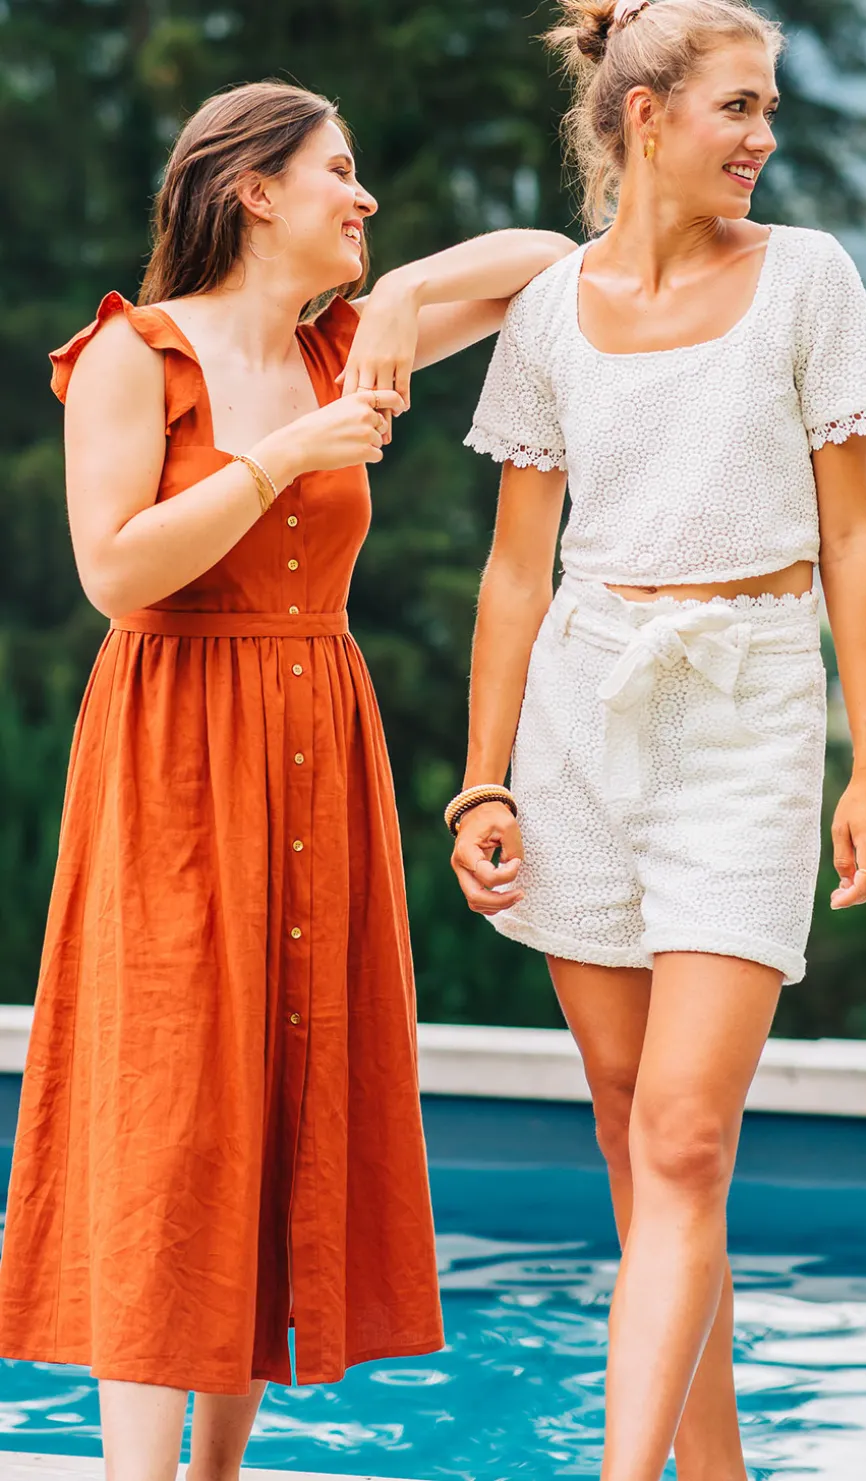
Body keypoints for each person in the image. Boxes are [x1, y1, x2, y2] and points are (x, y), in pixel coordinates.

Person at [0, 79, 573, 1481]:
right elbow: (113, 571)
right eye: (339, 170)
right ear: (254, 190)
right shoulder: (134, 353)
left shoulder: (345, 346)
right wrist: (280, 457)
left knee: (285, 1081)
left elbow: (550, 263)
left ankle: (218, 1473)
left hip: (319, 733)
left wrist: (403, 296)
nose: (365, 197)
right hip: (177, 747)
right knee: (175, 1105)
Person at [448, 1, 866, 1477]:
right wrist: (483, 781)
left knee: (688, 1138)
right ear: (645, 115)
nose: (763, 137)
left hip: (750, 712)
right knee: (625, 1122)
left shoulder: (807, 279)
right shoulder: (548, 312)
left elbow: (855, 537)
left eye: (769, 108)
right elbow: (516, 569)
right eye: (739, 107)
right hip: (581, 716)